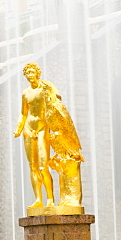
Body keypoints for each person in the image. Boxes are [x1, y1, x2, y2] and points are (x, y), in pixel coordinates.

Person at [13, 63, 83, 209]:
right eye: (27, 73)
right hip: (28, 129)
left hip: (42, 128)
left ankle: (50, 199)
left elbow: (57, 99)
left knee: (44, 165)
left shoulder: (46, 87)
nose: (30, 75)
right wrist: (19, 128)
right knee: (33, 167)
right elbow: (23, 113)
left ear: (37, 73)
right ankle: (39, 199)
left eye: (32, 72)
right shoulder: (25, 93)